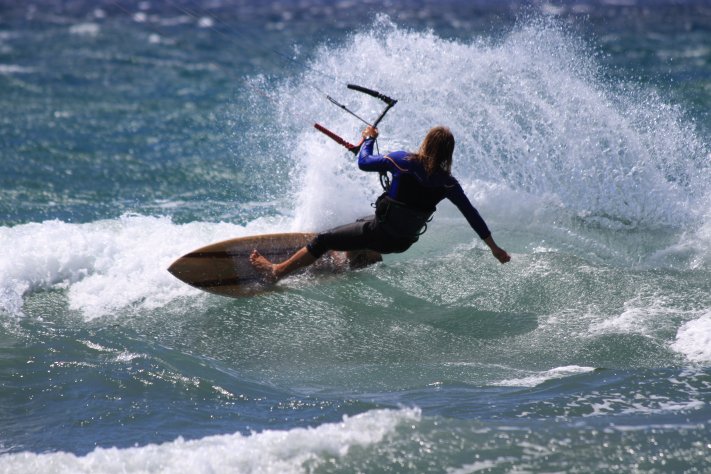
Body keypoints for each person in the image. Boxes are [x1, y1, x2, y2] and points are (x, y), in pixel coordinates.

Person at [250, 125, 510, 282]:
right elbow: (472, 215)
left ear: (426, 143)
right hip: (402, 243)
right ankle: (359, 260)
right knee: (362, 223)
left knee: (324, 240)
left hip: (381, 233)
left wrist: (368, 138)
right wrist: (494, 248)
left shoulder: (401, 161)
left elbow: (364, 161)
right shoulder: (448, 184)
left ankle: (277, 271)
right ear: (448, 154)